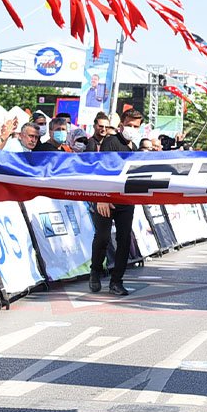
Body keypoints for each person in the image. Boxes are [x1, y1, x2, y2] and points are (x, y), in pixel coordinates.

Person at [90, 108, 143, 296]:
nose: (132, 129)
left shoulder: (134, 148)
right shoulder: (110, 142)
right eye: (129, 125)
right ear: (121, 125)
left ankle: (116, 281)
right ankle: (95, 271)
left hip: (126, 201)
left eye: (135, 126)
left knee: (124, 240)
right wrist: (101, 198)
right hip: (106, 199)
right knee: (102, 237)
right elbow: (101, 170)